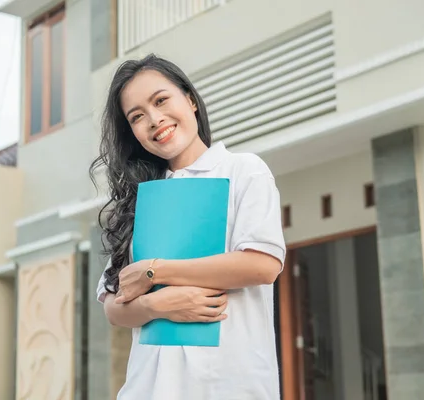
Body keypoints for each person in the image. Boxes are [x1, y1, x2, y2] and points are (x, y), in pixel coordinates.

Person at [90, 54, 286, 400]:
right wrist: (157, 306)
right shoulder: (140, 198)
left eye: (161, 100)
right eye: (137, 117)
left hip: (229, 386)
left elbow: (262, 264)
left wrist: (155, 272)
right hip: (147, 388)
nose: (154, 119)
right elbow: (113, 308)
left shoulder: (243, 170)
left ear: (190, 100)